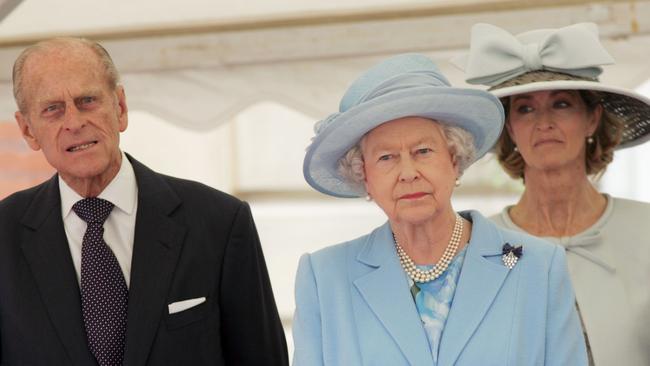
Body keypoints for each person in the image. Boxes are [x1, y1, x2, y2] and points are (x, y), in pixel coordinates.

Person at [0, 37, 288, 365]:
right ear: (28, 131)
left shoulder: (220, 222)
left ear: (120, 107)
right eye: (53, 109)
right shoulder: (4, 236)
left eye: (87, 100)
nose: (74, 122)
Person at [293, 53, 587, 365]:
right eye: (386, 157)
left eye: (423, 151)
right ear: (363, 175)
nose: (408, 172)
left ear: (454, 158)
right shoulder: (325, 277)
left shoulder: (538, 266)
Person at [455, 22, 650, 365]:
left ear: (592, 118)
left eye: (561, 104)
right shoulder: (476, 248)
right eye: (525, 108)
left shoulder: (645, 229)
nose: (543, 122)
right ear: (510, 128)